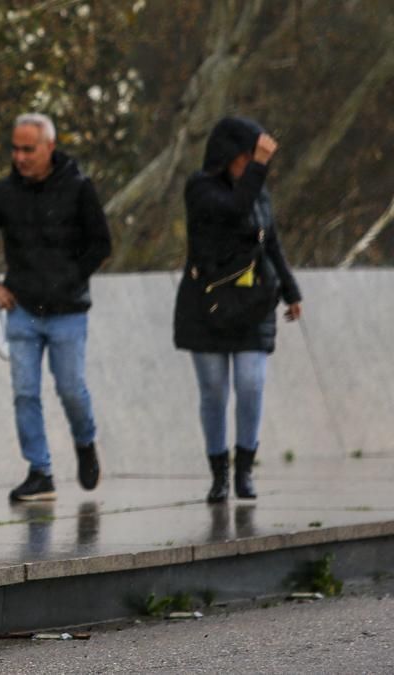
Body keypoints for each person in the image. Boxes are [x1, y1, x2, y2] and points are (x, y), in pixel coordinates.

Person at [0, 113, 112, 502]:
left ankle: (85, 442)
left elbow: (102, 244)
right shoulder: (4, 192)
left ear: (49, 146)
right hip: (23, 311)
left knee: (71, 389)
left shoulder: (79, 187)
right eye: (15, 148)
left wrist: (72, 277)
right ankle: (39, 470)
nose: (20, 157)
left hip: (68, 311)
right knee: (25, 392)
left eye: (28, 149)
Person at [173, 116, 302, 503]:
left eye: (255, 158)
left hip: (253, 301)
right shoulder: (200, 188)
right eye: (247, 157)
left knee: (250, 384)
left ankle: (245, 468)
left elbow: (272, 242)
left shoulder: (258, 190)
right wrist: (258, 168)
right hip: (207, 302)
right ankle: (219, 474)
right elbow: (232, 208)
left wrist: (291, 290)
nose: (252, 164)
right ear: (228, 155)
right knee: (213, 391)